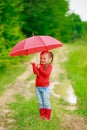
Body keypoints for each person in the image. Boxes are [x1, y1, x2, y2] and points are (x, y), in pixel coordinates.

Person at [31, 51, 53, 120]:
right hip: (38, 87)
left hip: (45, 87)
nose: (42, 60)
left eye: (44, 58)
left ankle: (47, 116)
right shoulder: (39, 65)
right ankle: (42, 115)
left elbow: (46, 74)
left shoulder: (49, 66)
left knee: (46, 101)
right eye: (41, 58)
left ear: (49, 59)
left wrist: (40, 68)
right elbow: (36, 72)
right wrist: (34, 66)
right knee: (40, 101)